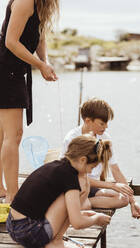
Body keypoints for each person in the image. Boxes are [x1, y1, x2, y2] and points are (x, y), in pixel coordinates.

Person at [0, 0, 58, 203]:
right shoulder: (25, 1)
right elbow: (11, 42)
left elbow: (39, 38)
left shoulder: (41, 4)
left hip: (14, 71)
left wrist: (46, 63)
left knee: (3, 134)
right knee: (13, 135)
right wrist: (39, 65)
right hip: (6, 70)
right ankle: (12, 195)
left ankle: (1, 188)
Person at [6, 135, 111, 248]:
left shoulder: (56, 166)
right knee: (80, 188)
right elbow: (77, 223)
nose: (90, 171)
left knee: (70, 195)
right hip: (29, 233)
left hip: (13, 226)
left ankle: (55, 239)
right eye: (92, 167)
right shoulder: (70, 177)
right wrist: (96, 219)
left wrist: (79, 214)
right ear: (83, 160)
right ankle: (56, 241)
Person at [61, 98, 140, 219]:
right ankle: (80, 203)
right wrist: (112, 185)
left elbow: (115, 170)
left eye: (107, 123)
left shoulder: (104, 138)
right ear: (88, 121)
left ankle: (86, 203)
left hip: (92, 187)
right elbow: (73, 177)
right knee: (90, 189)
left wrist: (133, 202)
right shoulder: (71, 138)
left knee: (123, 199)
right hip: (74, 185)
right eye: (102, 123)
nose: (106, 127)